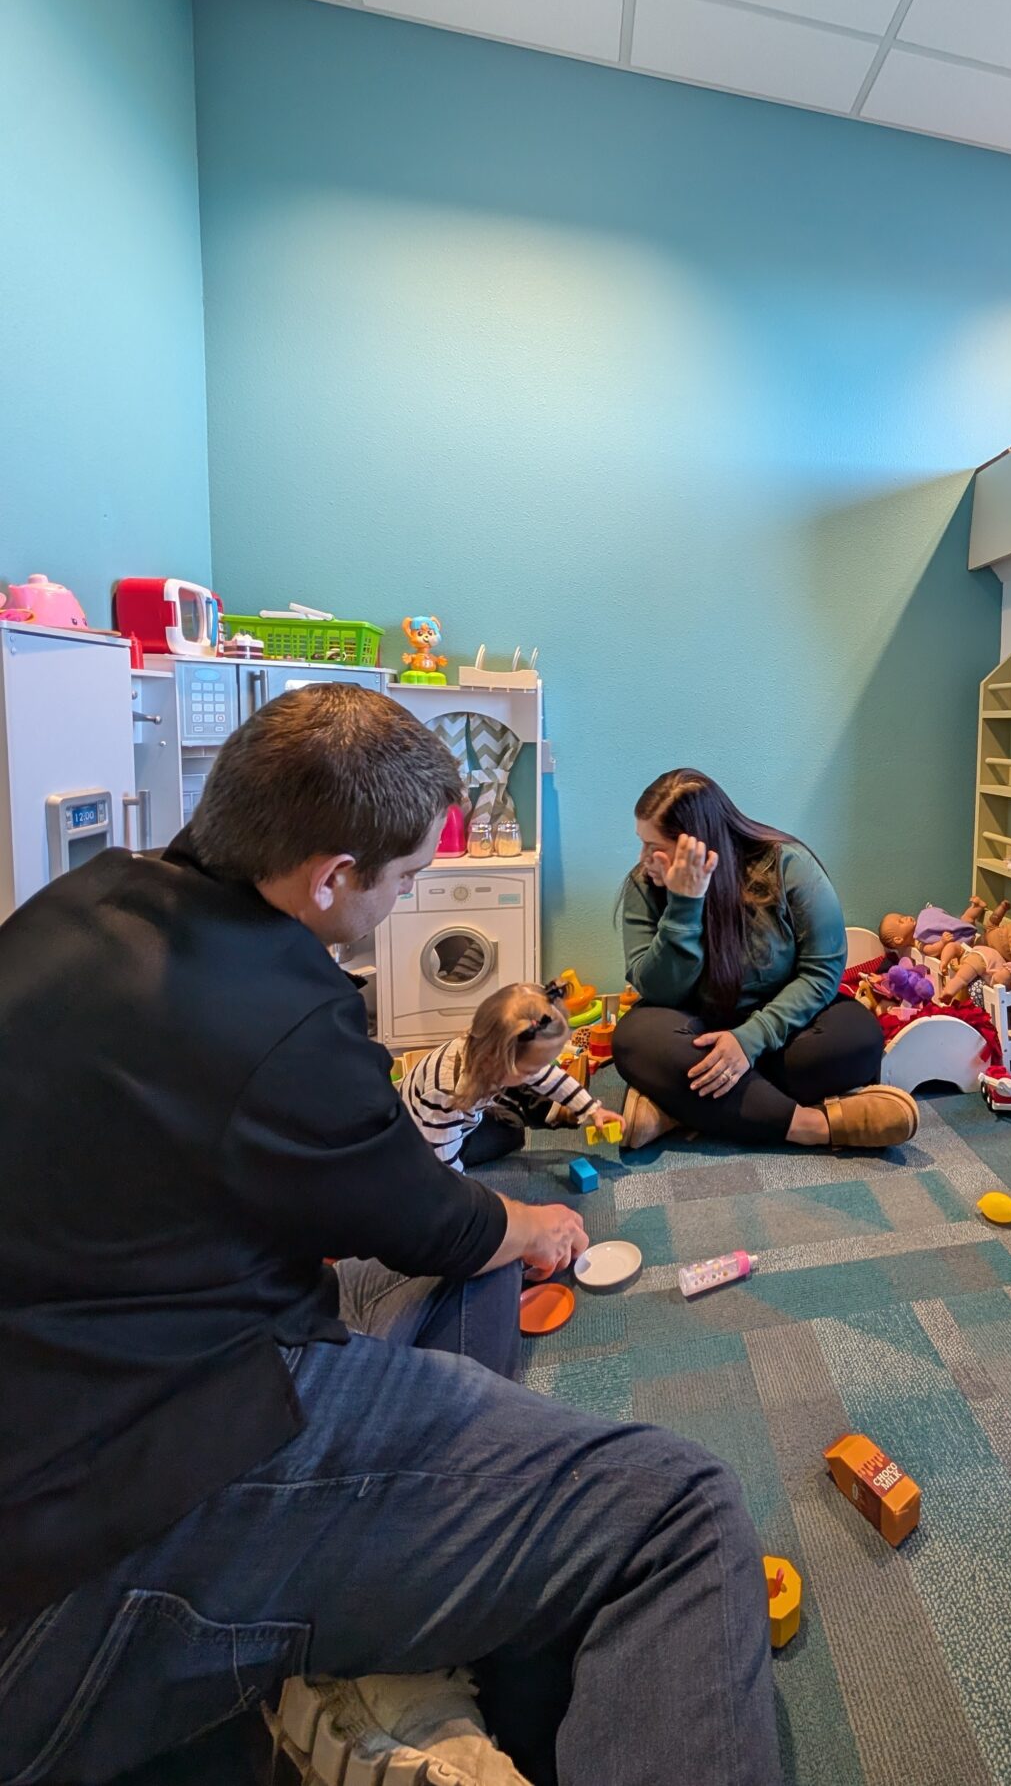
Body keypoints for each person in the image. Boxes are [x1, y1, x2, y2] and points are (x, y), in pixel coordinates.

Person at [0, 688, 778, 1786]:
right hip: (103, 1517)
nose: (401, 899)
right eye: (405, 879)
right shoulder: (285, 1016)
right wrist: (536, 1218)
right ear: (330, 875)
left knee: (474, 1283)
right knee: (677, 1506)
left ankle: (411, 1613)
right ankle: (380, 1652)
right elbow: (437, 1218)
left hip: (87, 1370)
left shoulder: (77, 903)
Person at [612, 768, 918, 1151]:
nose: (644, 859)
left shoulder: (788, 865)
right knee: (632, 1040)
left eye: (653, 847)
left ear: (697, 845)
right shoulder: (645, 885)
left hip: (780, 1026)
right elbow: (660, 991)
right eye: (641, 844)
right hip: (692, 1029)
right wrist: (684, 906)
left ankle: (680, 1106)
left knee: (859, 1039)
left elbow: (822, 972)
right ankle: (814, 1125)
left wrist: (749, 1040)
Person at [397, 978, 623, 1170]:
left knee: (524, 1091)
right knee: (512, 1133)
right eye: (532, 1069)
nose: (542, 1071)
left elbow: (547, 1076)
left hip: (472, 1106)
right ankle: (538, 1105)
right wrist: (482, 1207)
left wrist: (593, 1109)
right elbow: (445, 1169)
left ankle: (543, 1104)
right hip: (423, 1145)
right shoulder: (446, 1097)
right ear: (499, 1062)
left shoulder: (487, 1048)